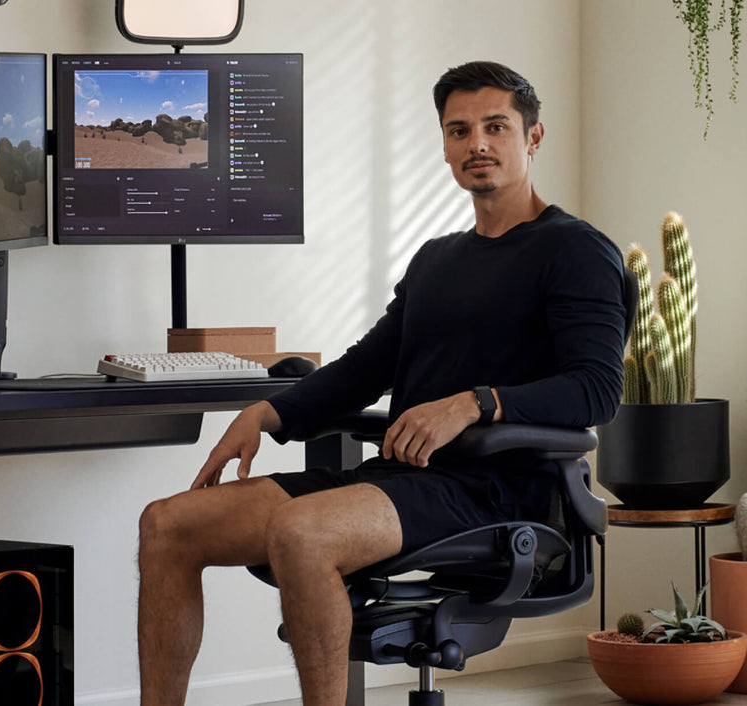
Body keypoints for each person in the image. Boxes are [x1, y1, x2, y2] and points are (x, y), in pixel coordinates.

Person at [136, 60, 626, 706]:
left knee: (301, 532)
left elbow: (597, 389)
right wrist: (266, 415)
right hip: (398, 480)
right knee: (166, 524)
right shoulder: (436, 260)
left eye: (495, 126)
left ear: (532, 138)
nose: (476, 143)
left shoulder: (577, 252)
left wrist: (477, 404)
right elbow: (366, 369)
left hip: (490, 493)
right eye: (458, 130)